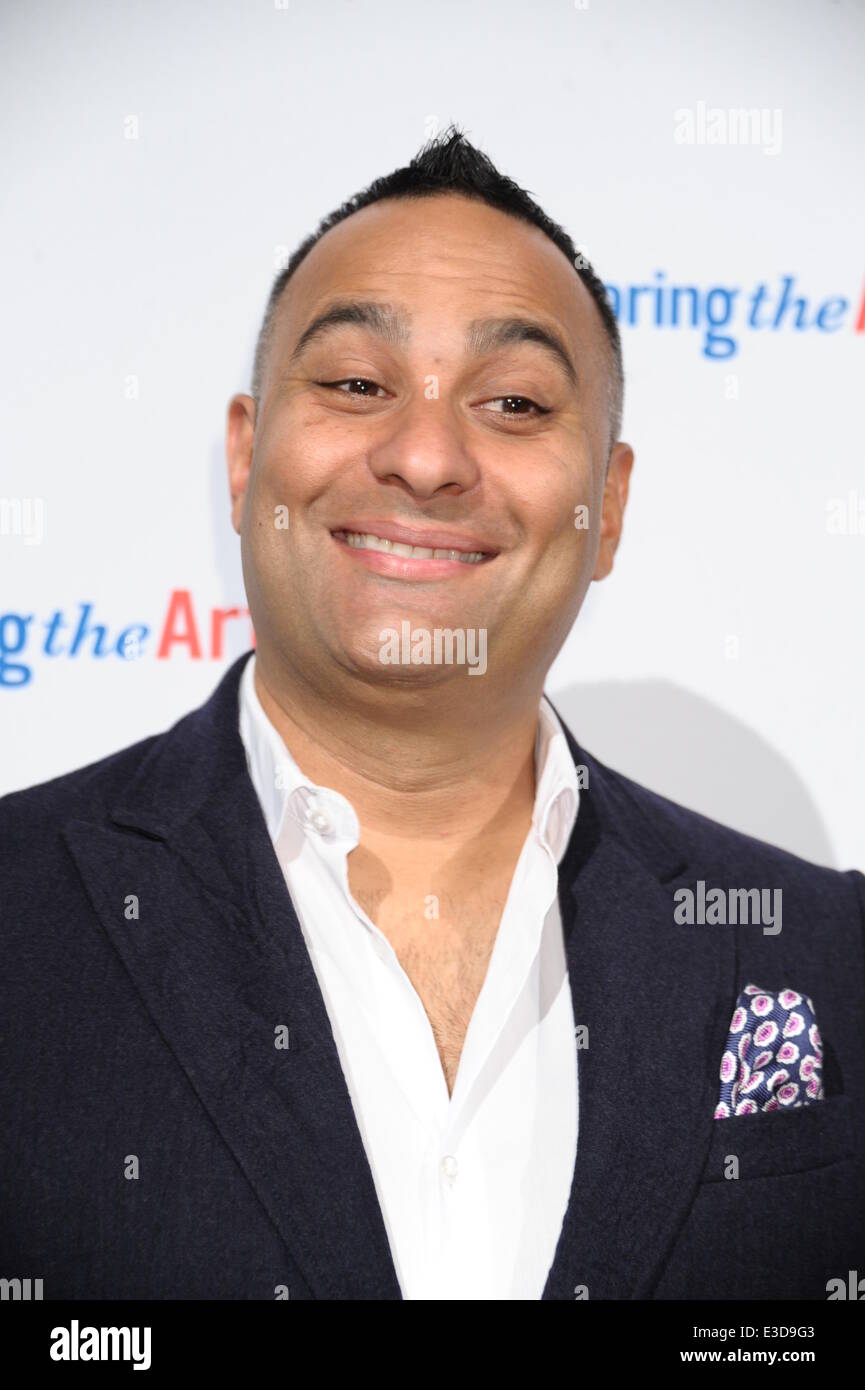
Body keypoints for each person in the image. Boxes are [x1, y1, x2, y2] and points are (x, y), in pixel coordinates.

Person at [1, 127, 862, 1301]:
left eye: (512, 401)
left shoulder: (821, 949)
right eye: (357, 384)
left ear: (604, 510)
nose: (423, 455)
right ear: (247, 459)